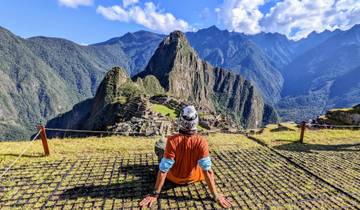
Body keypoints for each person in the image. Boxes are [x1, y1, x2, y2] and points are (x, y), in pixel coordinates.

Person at [139, 106, 232, 208]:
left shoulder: (172, 141)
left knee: (161, 147)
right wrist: (216, 195)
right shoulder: (201, 142)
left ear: (181, 121)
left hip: (173, 178)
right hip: (194, 178)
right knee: (203, 163)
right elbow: (207, 170)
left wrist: (155, 194)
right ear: (196, 122)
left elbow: (163, 170)